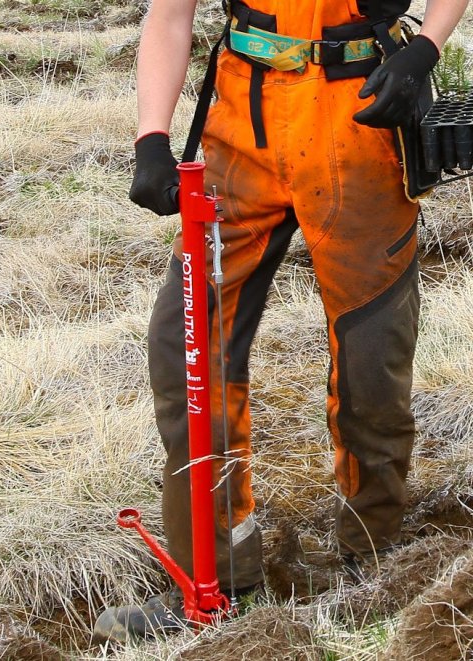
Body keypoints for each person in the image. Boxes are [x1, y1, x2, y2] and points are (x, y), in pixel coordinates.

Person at [92, 0, 470, 644]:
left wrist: (425, 49)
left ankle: (367, 558)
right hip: (244, 121)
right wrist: (152, 137)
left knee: (371, 353)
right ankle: (213, 578)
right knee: (185, 345)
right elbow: (170, 14)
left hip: (364, 114)